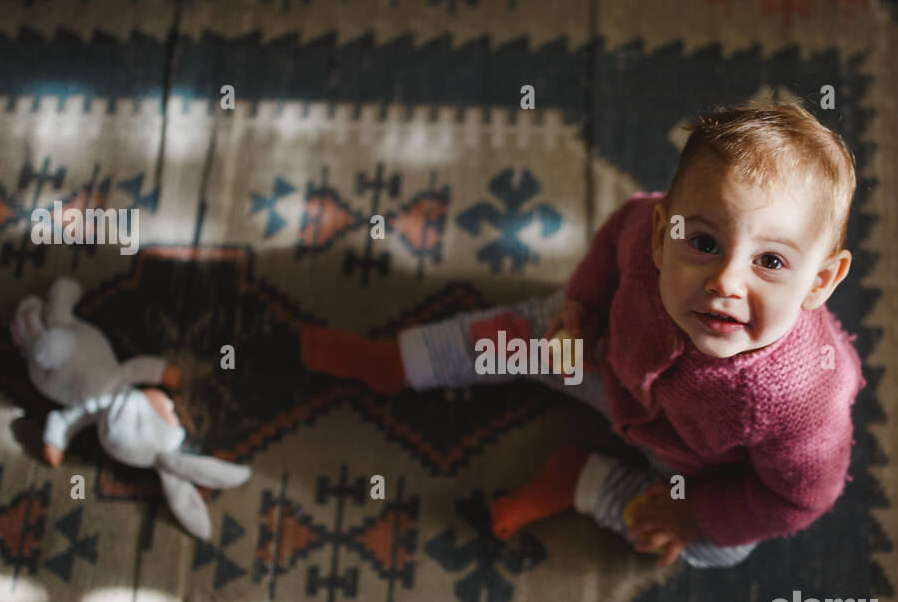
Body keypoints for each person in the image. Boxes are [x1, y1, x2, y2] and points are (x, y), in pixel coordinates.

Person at [300, 101, 865, 569]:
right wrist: (580, 305)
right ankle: (401, 361)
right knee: (524, 332)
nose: (726, 281)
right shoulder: (645, 241)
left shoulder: (801, 402)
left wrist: (697, 514)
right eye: (705, 243)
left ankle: (585, 482)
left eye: (769, 260)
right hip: (605, 358)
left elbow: (800, 497)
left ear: (819, 281)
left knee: (723, 549)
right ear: (662, 235)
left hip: (691, 464)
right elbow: (615, 237)